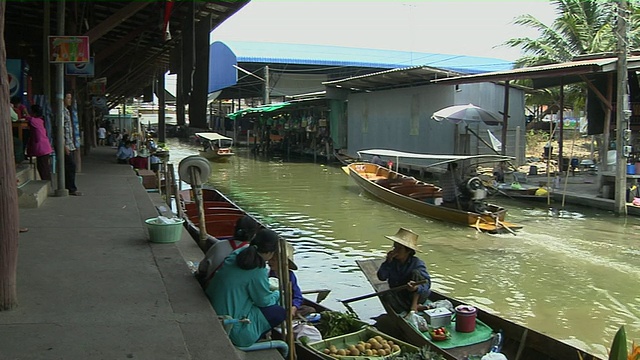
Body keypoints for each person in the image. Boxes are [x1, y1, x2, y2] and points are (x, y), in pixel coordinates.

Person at [206, 228, 285, 347]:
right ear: (269, 252)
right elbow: (264, 301)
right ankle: (251, 336)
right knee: (279, 312)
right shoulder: (258, 268)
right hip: (231, 326)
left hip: (213, 308)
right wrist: (278, 294)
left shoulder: (238, 253)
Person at [197, 215, 260, 289]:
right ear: (254, 236)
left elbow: (202, 269)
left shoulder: (219, 245)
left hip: (211, 289)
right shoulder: (253, 254)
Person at [377, 228, 431, 314]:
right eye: (395, 247)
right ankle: (415, 307)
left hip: (416, 295)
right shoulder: (392, 262)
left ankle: (414, 306)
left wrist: (415, 288)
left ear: (408, 251)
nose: (395, 251)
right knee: (386, 296)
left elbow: (427, 284)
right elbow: (381, 277)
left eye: (399, 249)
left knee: (416, 273)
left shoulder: (417, 263)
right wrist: (387, 262)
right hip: (401, 294)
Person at [267, 241, 314, 317]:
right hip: (274, 306)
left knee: (310, 310)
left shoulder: (290, 275)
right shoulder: (267, 274)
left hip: (288, 306)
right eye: (270, 259)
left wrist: (294, 307)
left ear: (282, 262)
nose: (269, 262)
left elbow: (298, 296)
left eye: (273, 260)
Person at [26, 104, 53, 181]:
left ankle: (47, 184)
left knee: (43, 168)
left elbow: (28, 118)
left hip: (41, 148)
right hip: (44, 147)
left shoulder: (34, 121)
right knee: (44, 168)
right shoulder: (40, 121)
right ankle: (47, 183)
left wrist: (25, 111)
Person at [63, 92, 82, 196]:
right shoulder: (61, 112)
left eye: (70, 98)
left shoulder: (66, 111)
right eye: (68, 98)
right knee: (71, 165)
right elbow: (59, 129)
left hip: (69, 143)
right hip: (65, 144)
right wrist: (64, 145)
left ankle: (69, 187)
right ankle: (71, 188)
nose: (69, 100)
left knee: (69, 166)